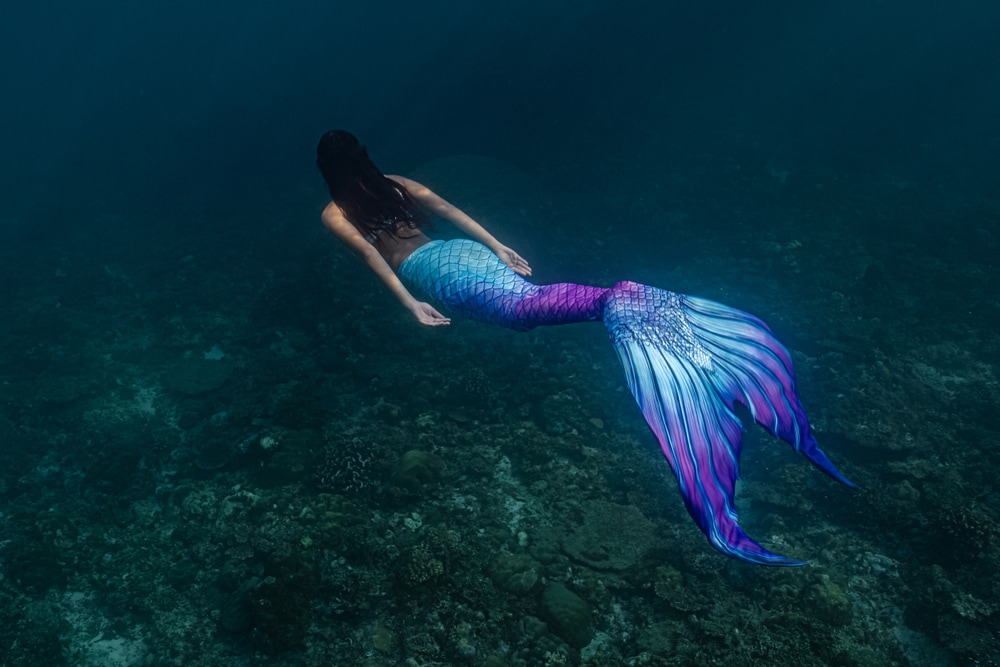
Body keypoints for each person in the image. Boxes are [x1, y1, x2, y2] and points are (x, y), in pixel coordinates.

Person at [317, 129, 855, 566]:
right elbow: (452, 213)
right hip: (458, 254)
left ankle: (615, 300)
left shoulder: (335, 213)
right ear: (364, 159)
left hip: (435, 275)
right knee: (527, 301)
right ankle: (614, 300)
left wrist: (410, 304)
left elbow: (373, 258)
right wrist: (496, 245)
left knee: (521, 312)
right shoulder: (395, 183)